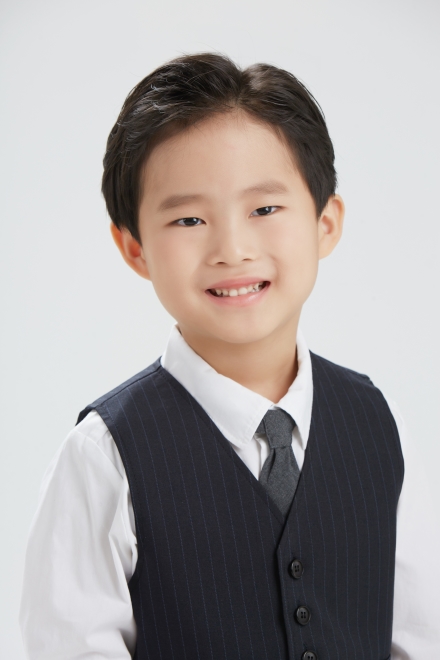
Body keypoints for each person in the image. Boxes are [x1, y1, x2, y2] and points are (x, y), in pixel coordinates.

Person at [20, 52, 439, 660]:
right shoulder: (104, 458)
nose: (232, 249)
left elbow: (421, 638)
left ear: (325, 223)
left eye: (264, 209)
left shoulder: (379, 426)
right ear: (134, 248)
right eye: (189, 219)